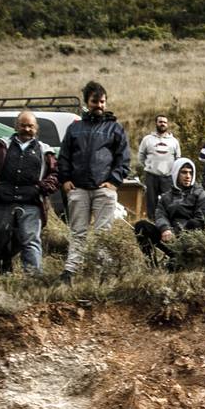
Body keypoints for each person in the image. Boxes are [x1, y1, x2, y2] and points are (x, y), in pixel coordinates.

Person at [59, 80, 129, 277]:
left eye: (102, 102)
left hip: (103, 190)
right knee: (78, 232)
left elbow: (123, 158)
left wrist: (114, 182)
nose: (99, 105)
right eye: (94, 101)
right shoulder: (75, 128)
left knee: (102, 234)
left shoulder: (115, 128)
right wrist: (65, 180)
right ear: (86, 102)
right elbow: (64, 156)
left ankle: (101, 273)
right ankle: (70, 272)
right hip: (78, 189)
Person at [0, 111, 59, 275]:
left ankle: (33, 279)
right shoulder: (2, 145)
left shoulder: (45, 150)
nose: (26, 129)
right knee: (1, 237)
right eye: (23, 125)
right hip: (4, 200)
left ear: (36, 128)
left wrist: (41, 188)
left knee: (30, 240)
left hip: (31, 202)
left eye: (30, 126)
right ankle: (0, 274)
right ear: (16, 126)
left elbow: (55, 174)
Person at [135, 156, 205, 260]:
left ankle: (185, 259)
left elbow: (202, 218)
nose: (188, 176)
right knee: (141, 226)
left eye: (190, 173)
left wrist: (179, 232)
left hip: (191, 239)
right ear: (176, 173)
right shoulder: (166, 197)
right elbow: (160, 216)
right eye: (184, 172)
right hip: (170, 237)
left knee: (194, 223)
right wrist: (165, 229)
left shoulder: (199, 194)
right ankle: (152, 264)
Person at [137, 115, 182, 200]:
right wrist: (149, 166)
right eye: (160, 122)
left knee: (168, 203)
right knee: (151, 202)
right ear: (156, 123)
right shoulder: (147, 139)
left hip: (168, 177)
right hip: (151, 177)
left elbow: (178, 159)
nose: (163, 124)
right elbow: (141, 156)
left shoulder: (174, 141)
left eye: (165, 122)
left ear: (167, 124)